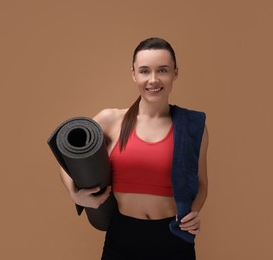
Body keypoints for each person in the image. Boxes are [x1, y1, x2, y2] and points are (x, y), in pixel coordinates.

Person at [59, 37, 209, 259]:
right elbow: (67, 158)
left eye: (163, 70)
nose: (153, 80)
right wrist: (75, 194)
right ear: (134, 74)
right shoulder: (111, 120)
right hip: (122, 237)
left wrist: (194, 213)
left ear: (175, 73)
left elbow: (202, 183)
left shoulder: (193, 126)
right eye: (145, 71)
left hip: (173, 238)